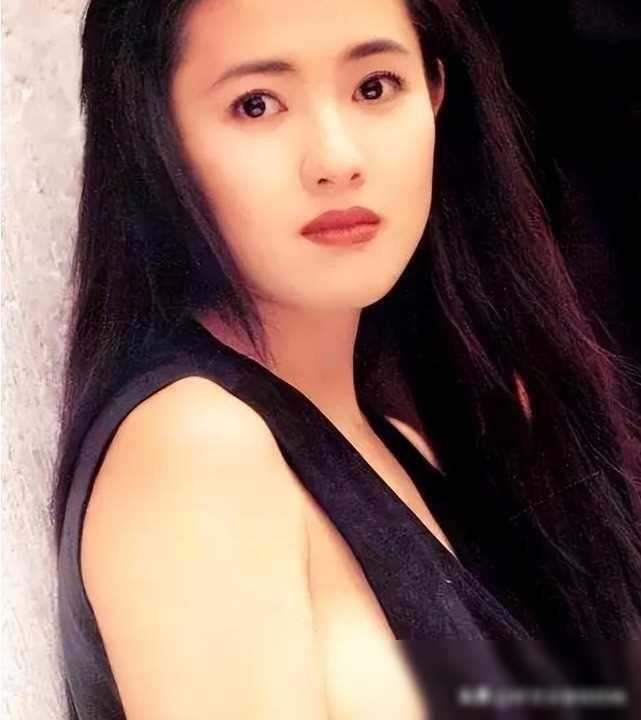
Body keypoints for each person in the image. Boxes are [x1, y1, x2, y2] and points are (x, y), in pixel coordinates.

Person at [53, 0, 641, 718]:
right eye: (256, 103)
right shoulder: (197, 449)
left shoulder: (403, 445)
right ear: (155, 138)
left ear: (434, 92)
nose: (336, 160)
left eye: (373, 87)